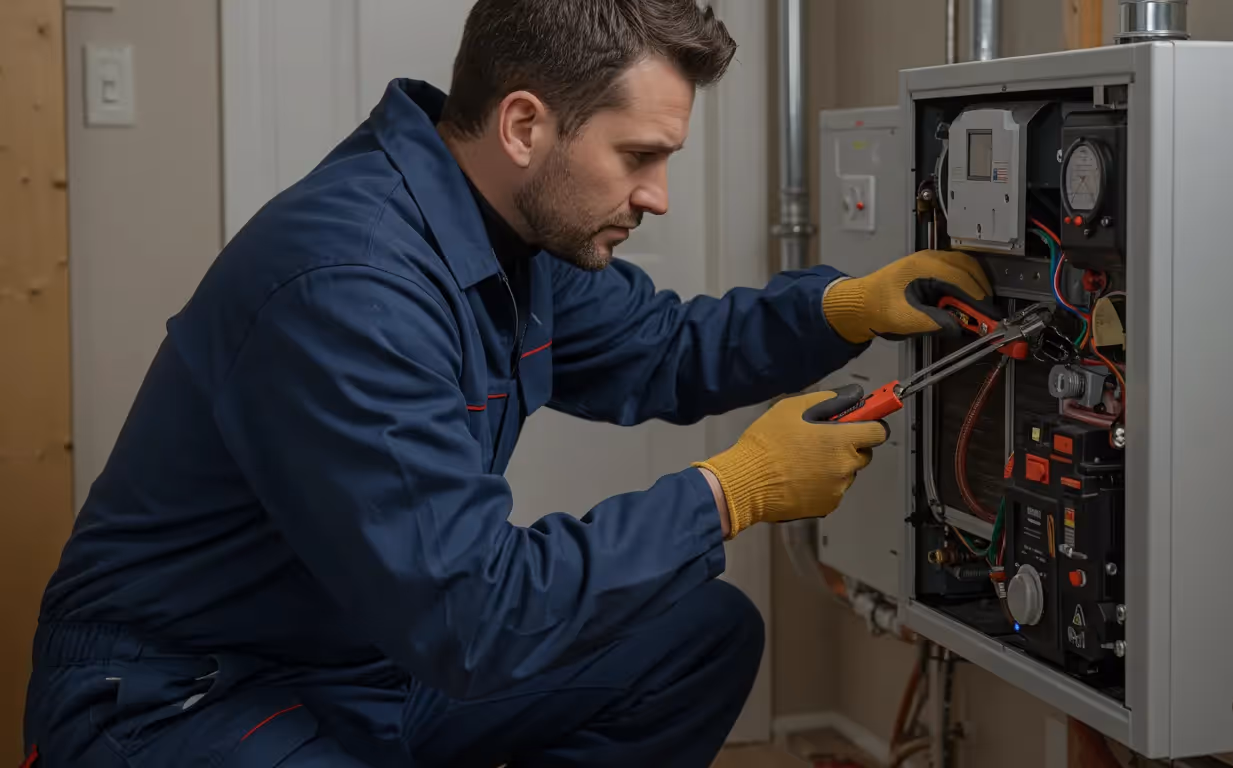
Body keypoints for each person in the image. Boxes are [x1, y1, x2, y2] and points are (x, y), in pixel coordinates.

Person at [23, 1, 992, 765]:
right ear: (526, 123)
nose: (656, 194)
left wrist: (841, 310)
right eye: (638, 156)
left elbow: (662, 350)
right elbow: (472, 615)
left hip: (366, 652)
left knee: (698, 637)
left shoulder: (515, 234)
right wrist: (727, 492)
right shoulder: (350, 284)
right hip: (179, 695)